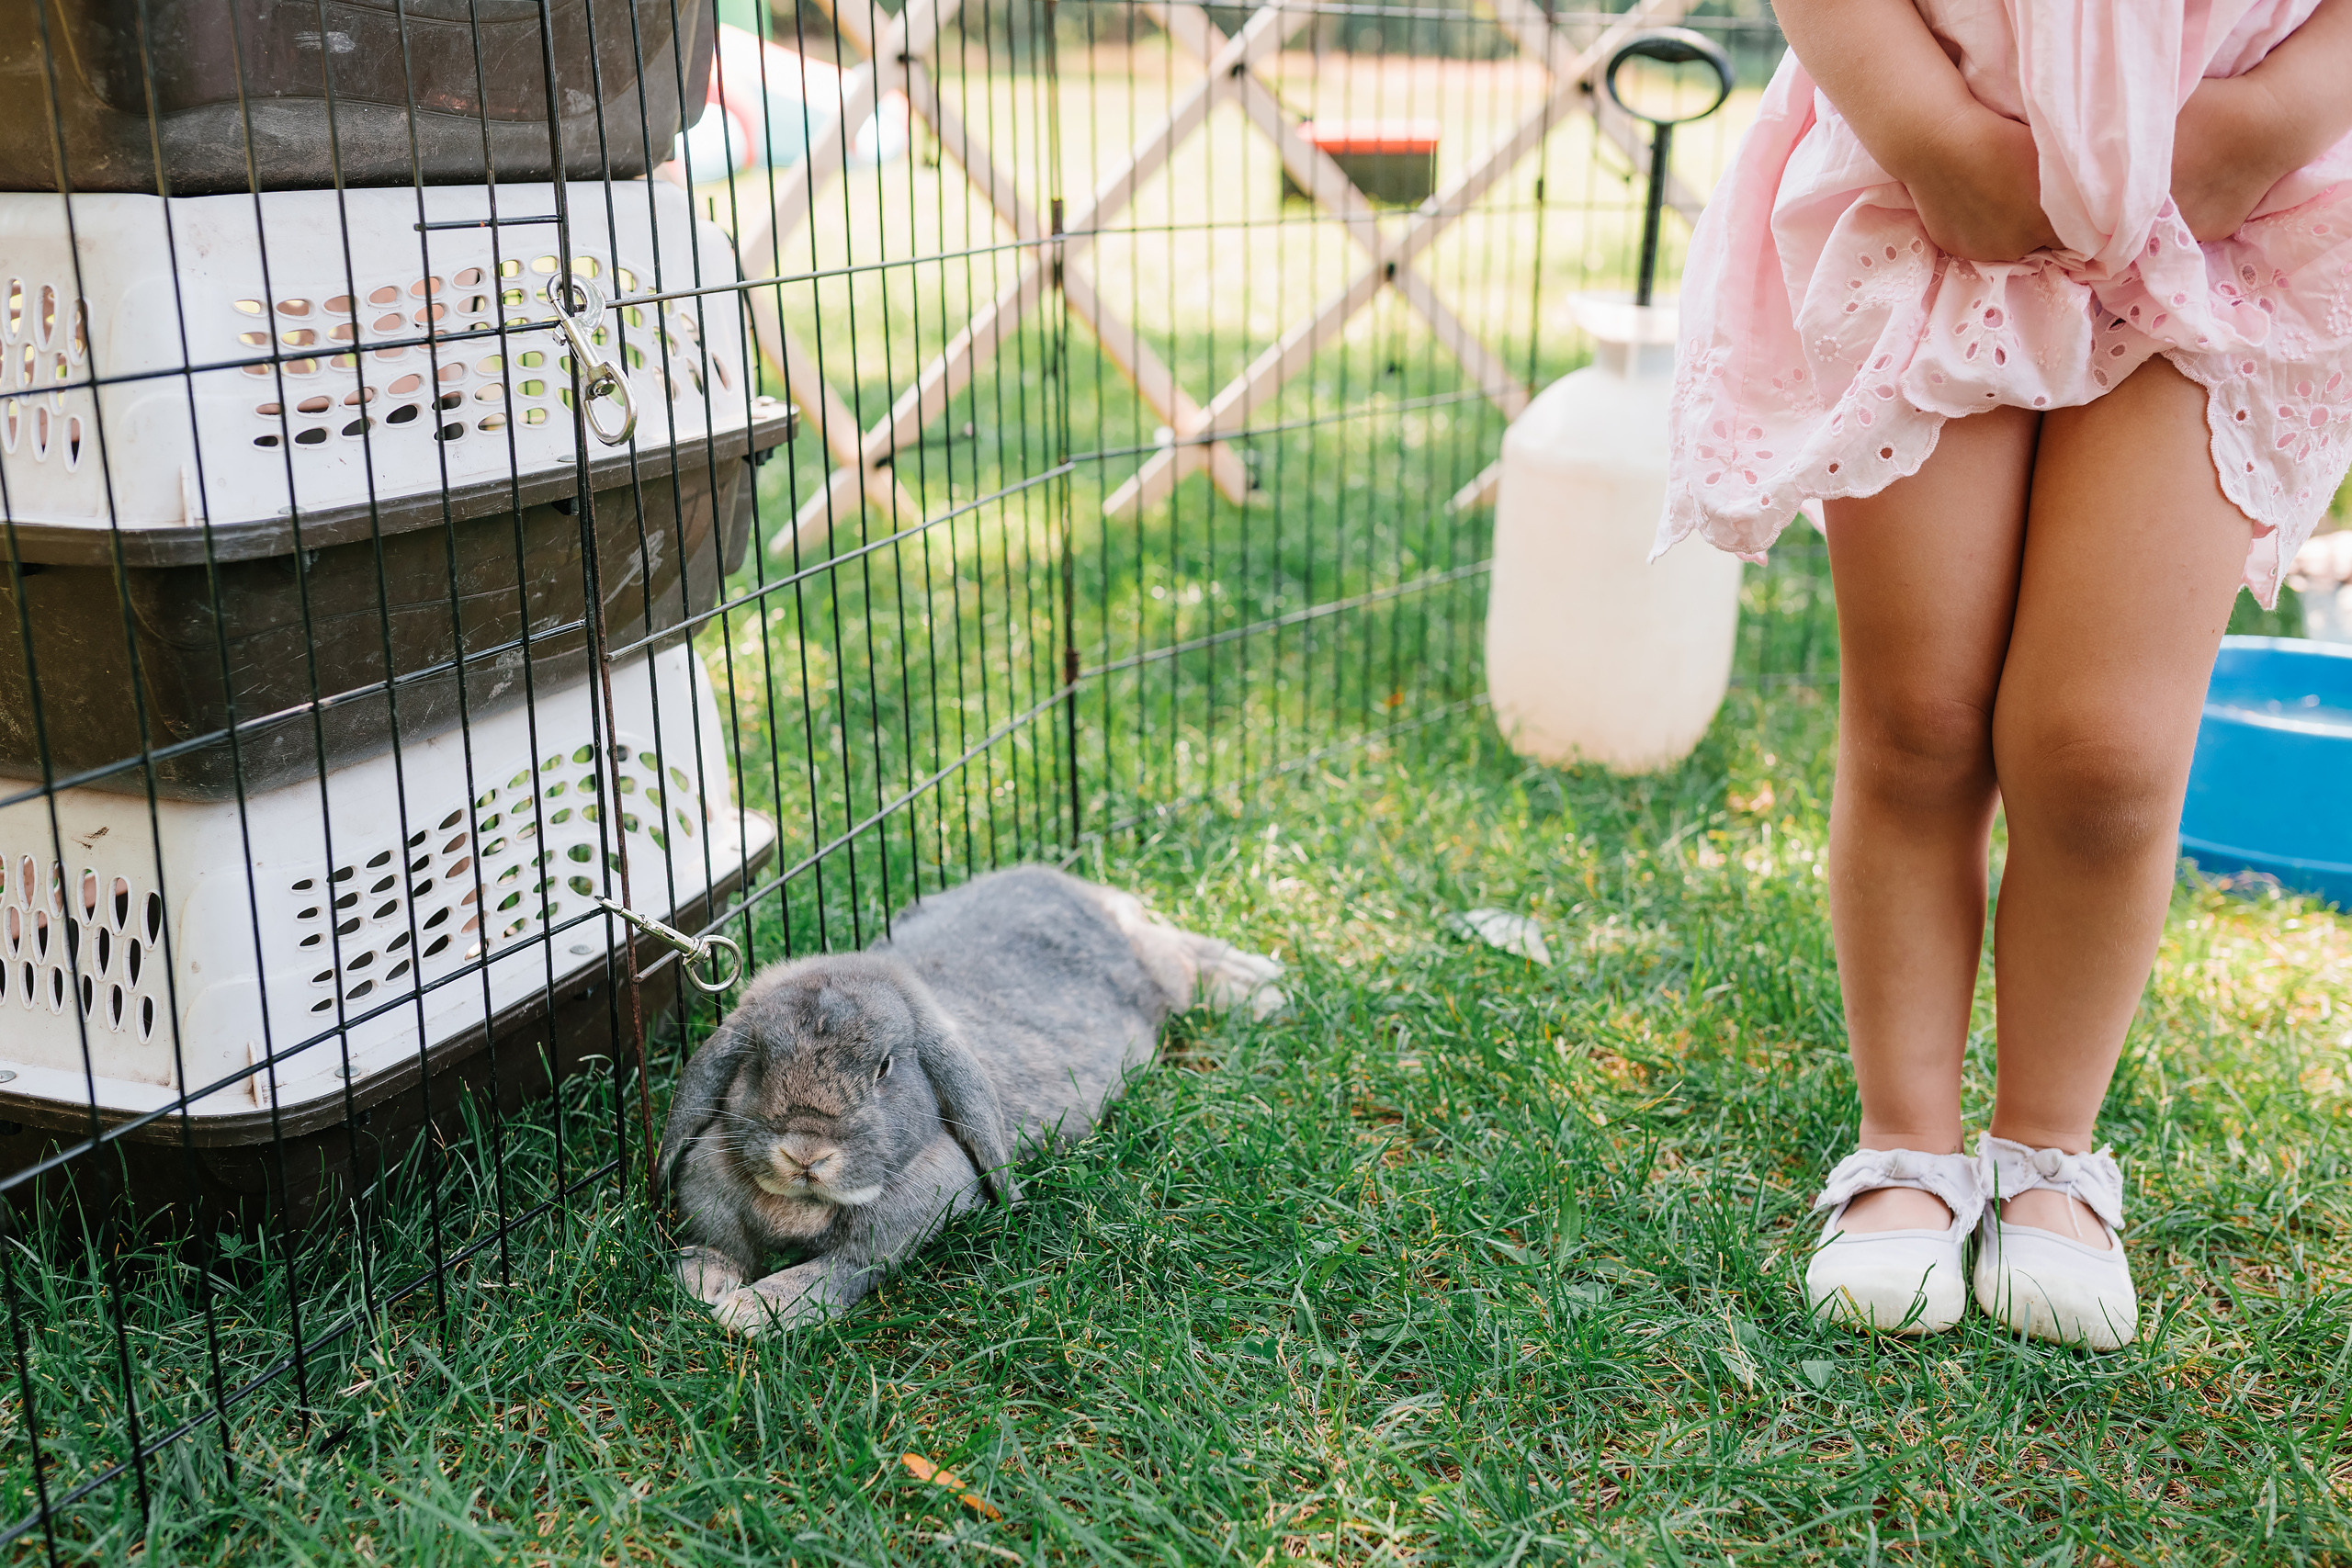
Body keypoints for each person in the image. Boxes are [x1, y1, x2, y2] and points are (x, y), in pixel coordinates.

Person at [1656, 0, 2352, 1347]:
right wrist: (1926, 131)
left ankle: (2050, 1155)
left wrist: (2273, 119)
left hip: (2232, 207)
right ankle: (1906, 1146)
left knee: (2104, 752)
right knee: (1920, 721)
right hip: (1940, 162)